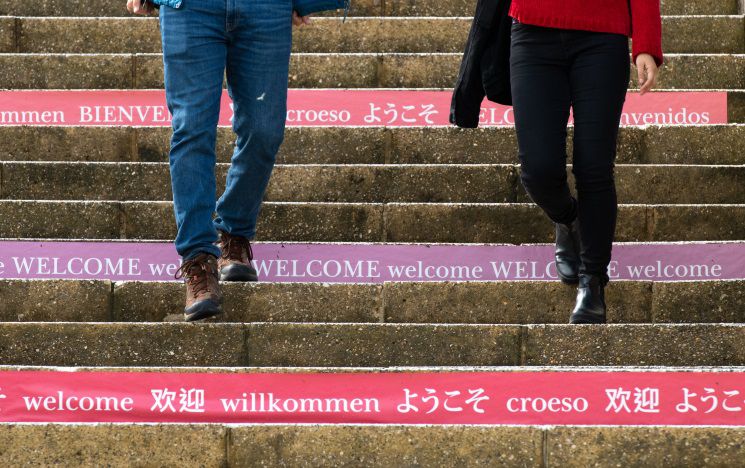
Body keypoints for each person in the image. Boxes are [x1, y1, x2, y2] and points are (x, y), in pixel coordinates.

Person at [127, 0, 311, 321]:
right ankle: (198, 260)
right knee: (191, 129)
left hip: (265, 8)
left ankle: (235, 231)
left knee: (264, 130)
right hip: (190, 8)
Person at [508, 0, 663, 323]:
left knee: (594, 166)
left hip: (603, 35)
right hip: (534, 30)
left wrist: (646, 44)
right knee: (538, 170)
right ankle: (569, 219)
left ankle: (592, 279)